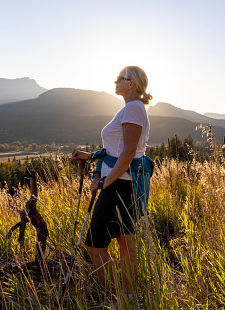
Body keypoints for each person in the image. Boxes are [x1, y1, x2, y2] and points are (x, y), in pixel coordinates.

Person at [71, 66, 152, 305]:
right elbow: (119, 149)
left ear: (132, 84)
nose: (115, 81)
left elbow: (128, 154)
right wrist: (91, 155)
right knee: (125, 243)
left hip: (117, 187)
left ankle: (113, 300)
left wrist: (105, 181)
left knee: (94, 247)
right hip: (125, 187)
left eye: (121, 78)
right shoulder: (131, 108)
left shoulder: (133, 108)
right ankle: (129, 298)